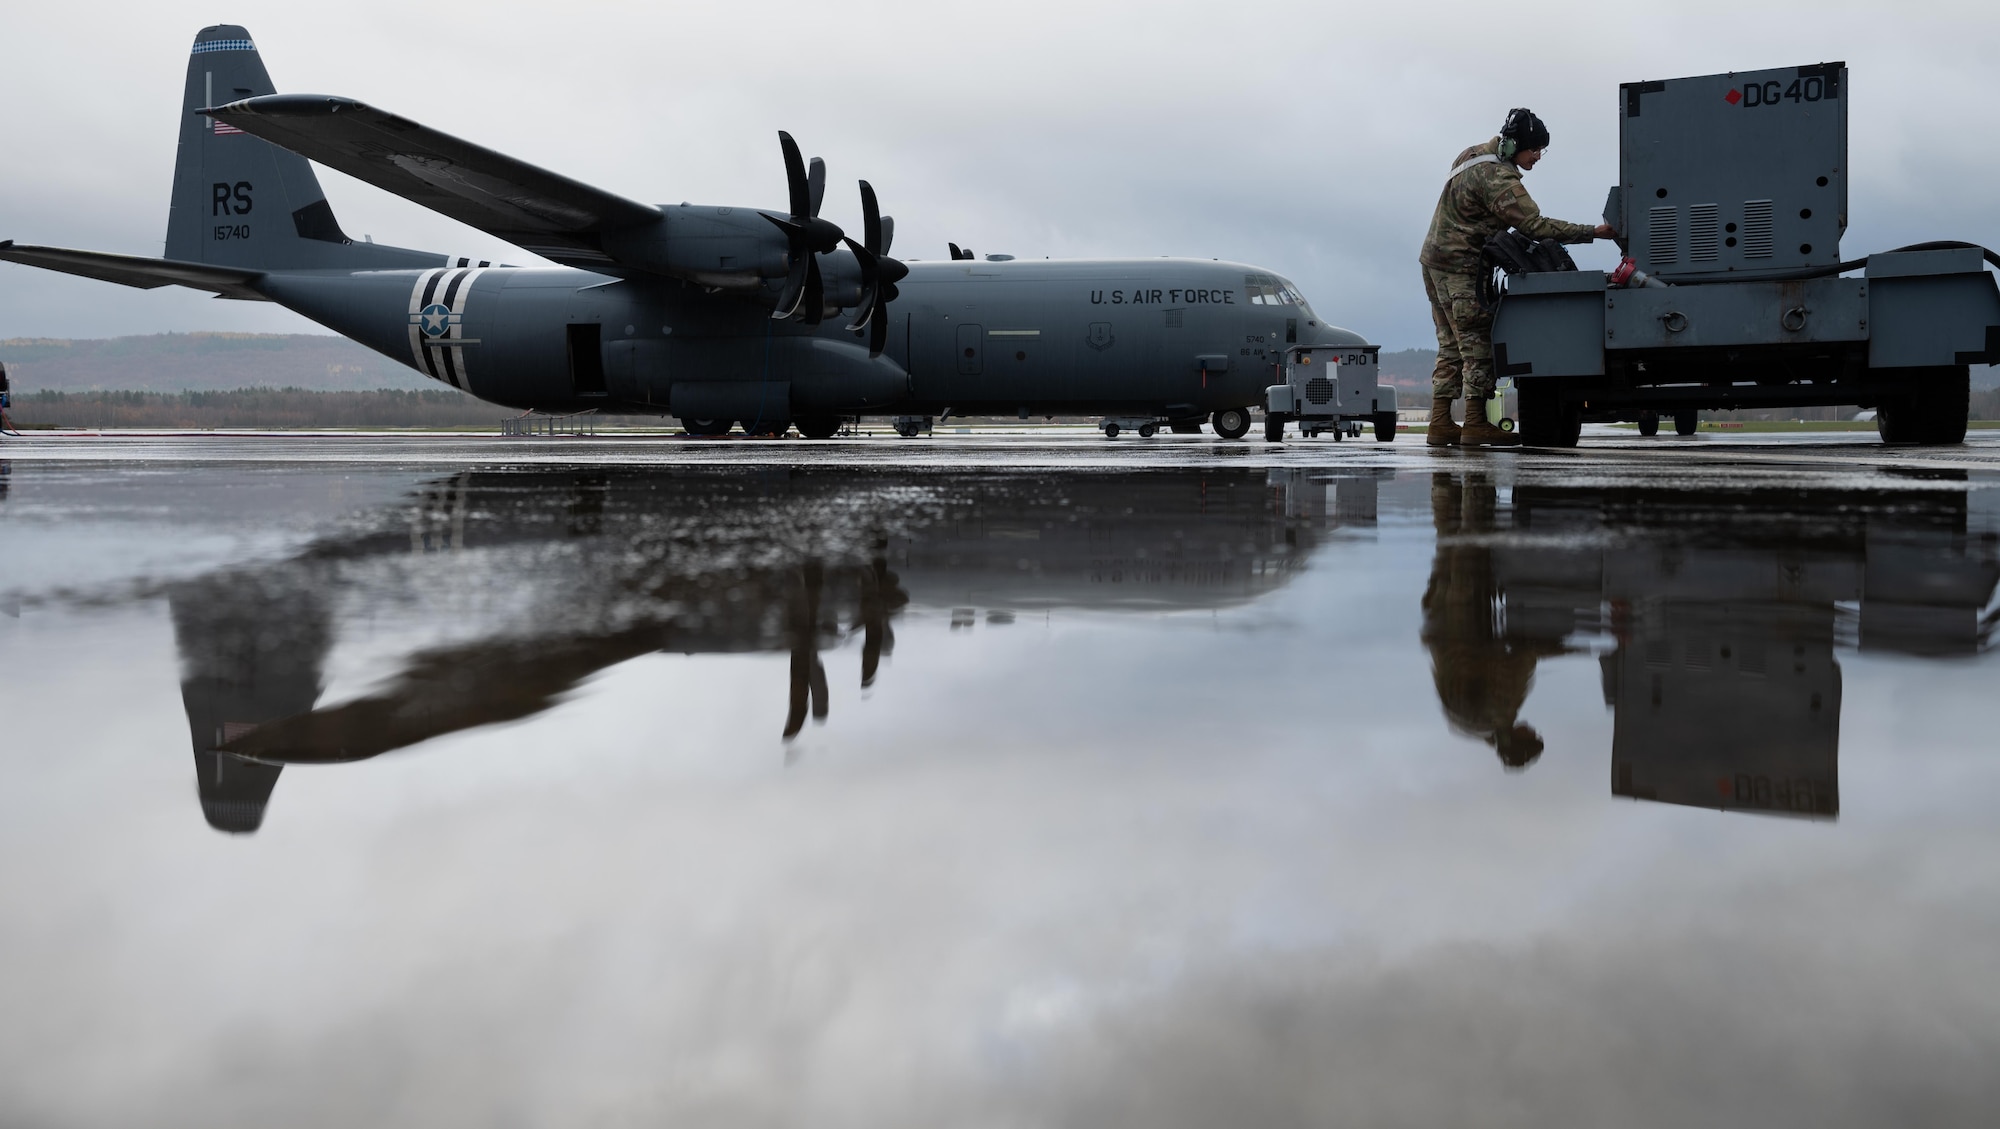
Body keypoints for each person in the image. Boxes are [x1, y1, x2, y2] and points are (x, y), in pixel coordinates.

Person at [1419, 108, 1617, 447]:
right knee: (1477, 342)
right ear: (1514, 148)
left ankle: (1440, 423)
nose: (1538, 157)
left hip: (1434, 261)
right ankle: (1476, 423)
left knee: (1450, 344)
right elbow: (1536, 226)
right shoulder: (1499, 180)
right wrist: (1593, 232)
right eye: (1534, 150)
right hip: (1461, 268)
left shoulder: (1471, 154)